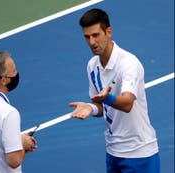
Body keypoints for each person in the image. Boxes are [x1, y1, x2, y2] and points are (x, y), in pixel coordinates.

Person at [69, 8, 160, 173]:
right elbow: (101, 106)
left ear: (108, 32)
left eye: (96, 35)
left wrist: (107, 98)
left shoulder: (129, 64)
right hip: (113, 152)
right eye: (87, 37)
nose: (91, 42)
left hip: (139, 154)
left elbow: (127, 103)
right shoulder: (92, 65)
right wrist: (90, 108)